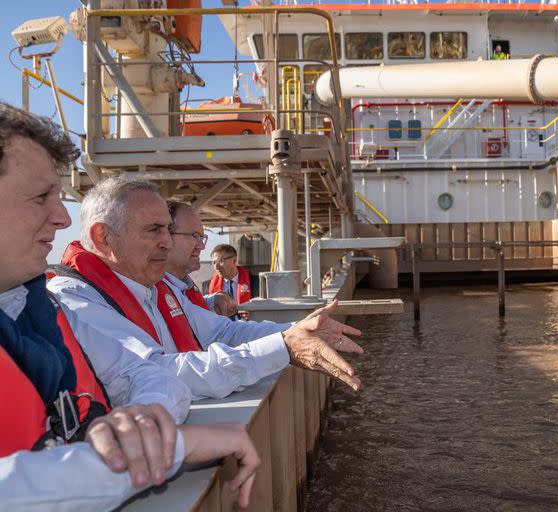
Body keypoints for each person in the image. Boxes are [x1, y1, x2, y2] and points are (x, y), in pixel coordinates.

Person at [0, 101, 259, 510]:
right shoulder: (74, 298)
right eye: (40, 197)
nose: (61, 218)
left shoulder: (39, 307)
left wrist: (143, 421)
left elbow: (144, 372)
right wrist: (163, 449)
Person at [48, 176, 364, 402]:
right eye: (154, 230)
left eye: (168, 231)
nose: (167, 242)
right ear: (104, 237)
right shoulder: (76, 300)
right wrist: (284, 348)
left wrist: (295, 331)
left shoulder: (153, 288)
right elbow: (156, 372)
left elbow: (222, 333)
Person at [207, 243, 256, 319]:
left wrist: (253, 313)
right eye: (214, 262)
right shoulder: (208, 286)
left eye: (221, 261)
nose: (216, 267)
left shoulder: (254, 282)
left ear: (234, 260)